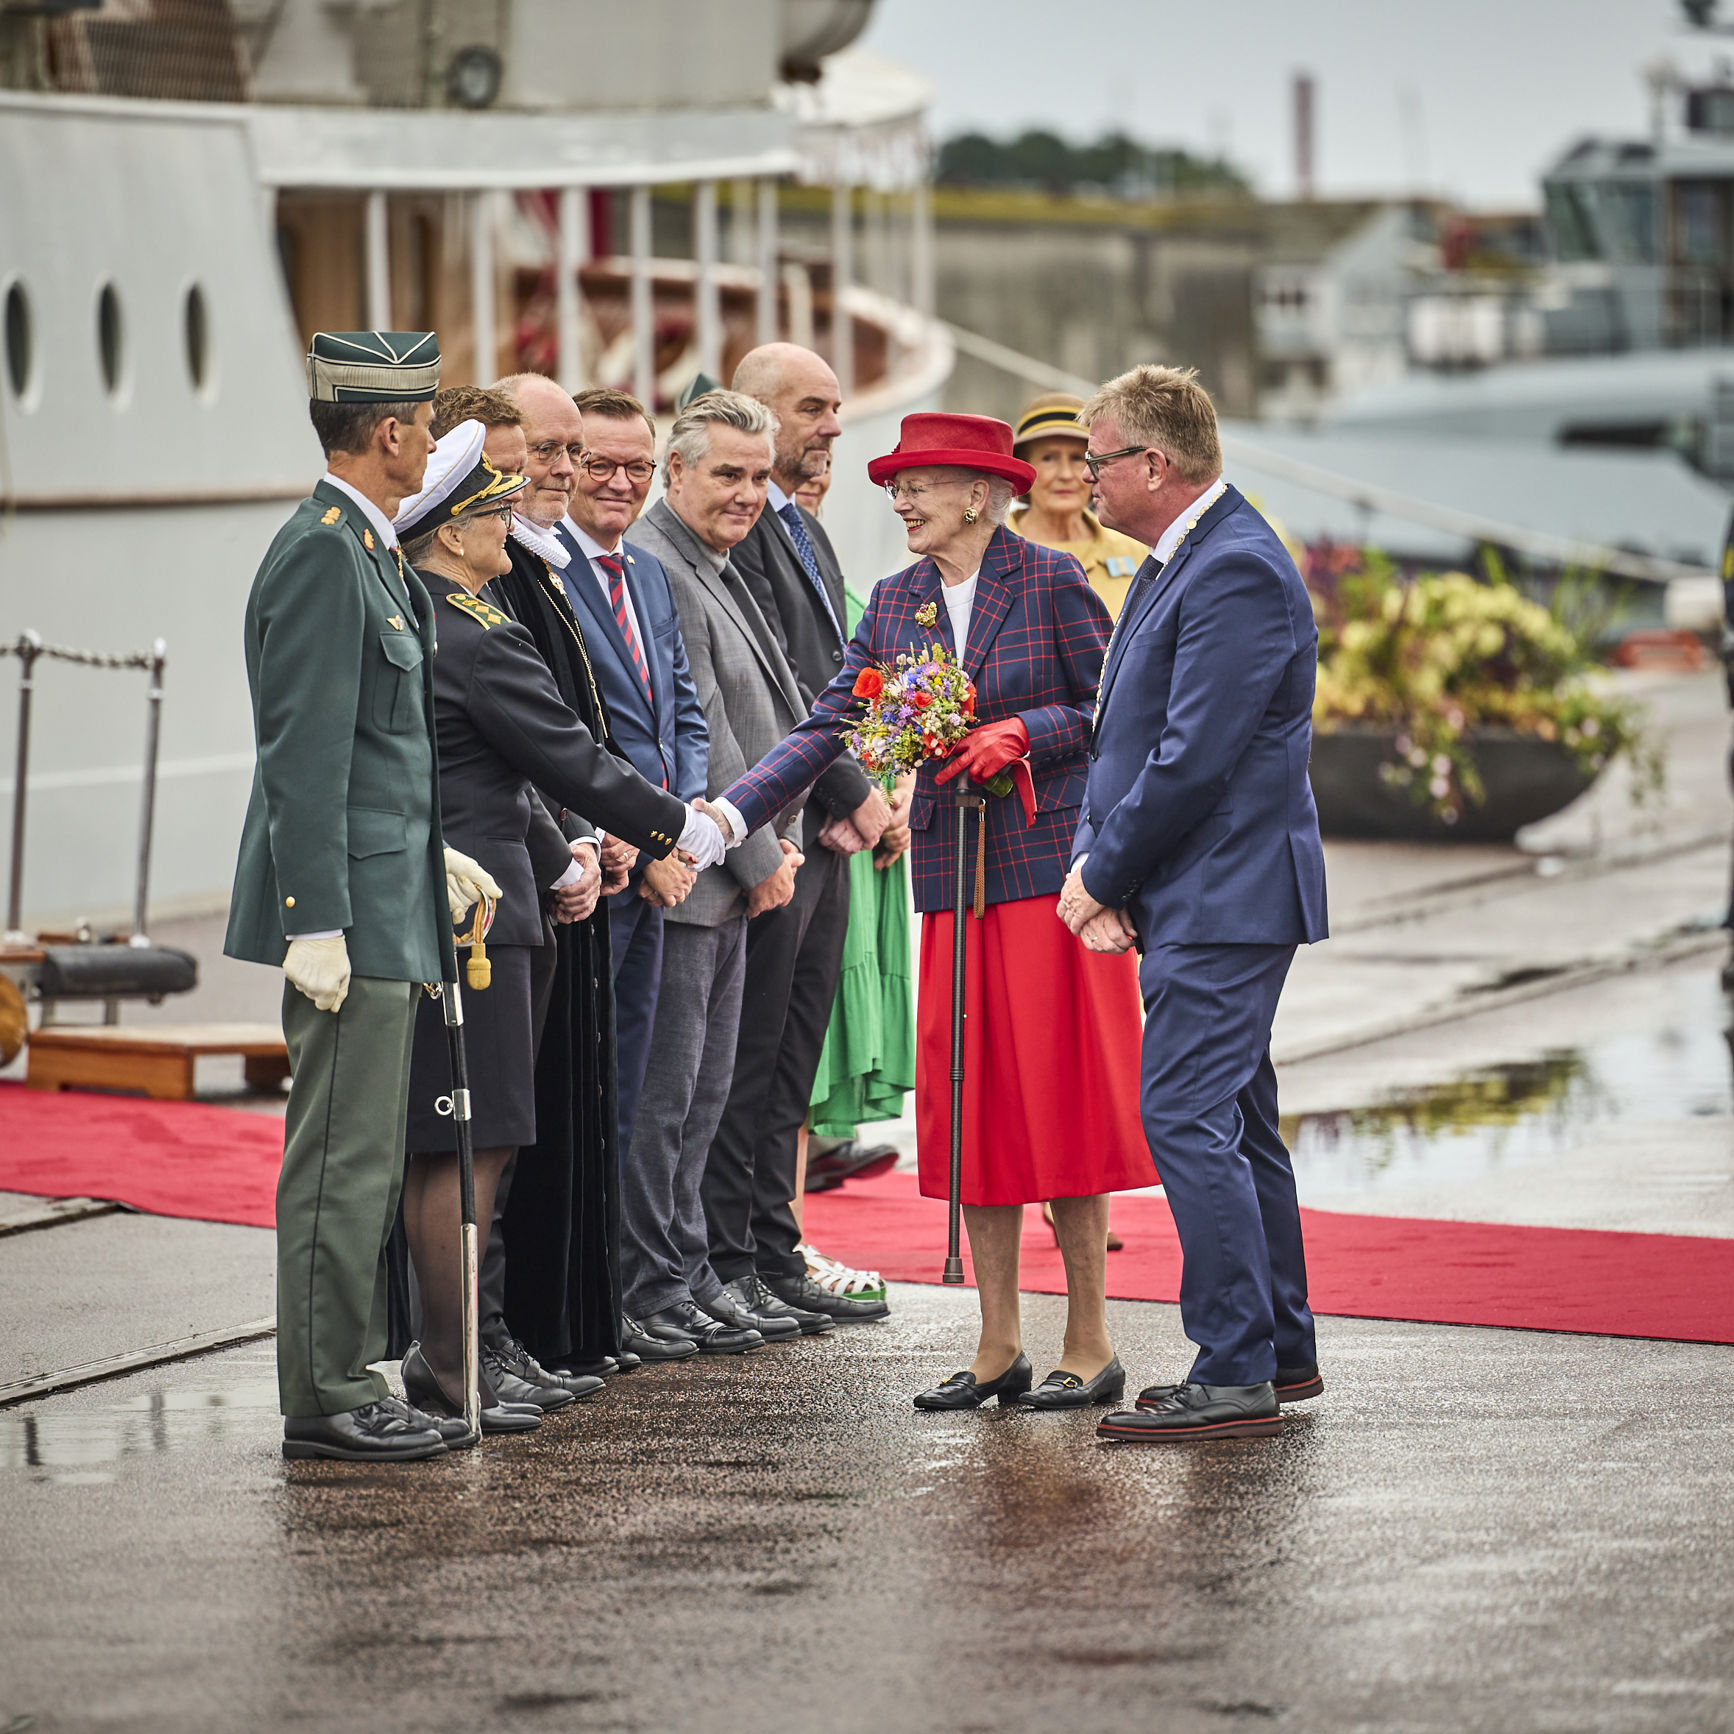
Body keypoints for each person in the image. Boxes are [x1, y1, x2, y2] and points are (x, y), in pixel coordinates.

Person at [713, 412, 1151, 1411]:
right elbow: (831, 721)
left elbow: (1112, 710)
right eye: (897, 485)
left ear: (977, 493)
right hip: (956, 886)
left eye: (920, 483)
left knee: (1065, 1106)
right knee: (976, 1110)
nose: (900, 500)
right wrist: (732, 810)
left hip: (1051, 883)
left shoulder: (1047, 580)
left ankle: (1090, 1339)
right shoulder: (899, 600)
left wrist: (1020, 733)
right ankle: (998, 1343)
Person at [393, 422, 718, 1433]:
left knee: (467, 1150)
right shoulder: (480, 638)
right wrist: (680, 827)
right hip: (480, 919)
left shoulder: (427, 622)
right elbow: (573, 759)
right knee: (471, 1153)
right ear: (451, 533)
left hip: (475, 902)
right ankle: (455, 1373)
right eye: (491, 511)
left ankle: (466, 1356)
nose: (510, 522)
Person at [226, 330, 491, 1462]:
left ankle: (349, 1372)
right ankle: (325, 1395)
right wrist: (314, 921)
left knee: (369, 1157)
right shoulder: (324, 554)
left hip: (389, 903)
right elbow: (303, 755)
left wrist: (428, 856)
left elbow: (377, 759)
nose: (433, 439)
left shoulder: (369, 551)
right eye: (427, 423)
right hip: (350, 921)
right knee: (339, 1161)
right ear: (390, 434)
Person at [1055, 364, 1329, 1443]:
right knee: (1240, 1123)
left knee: (1183, 1115)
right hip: (1207, 888)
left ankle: (1232, 1367)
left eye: (1098, 458)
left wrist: (1100, 875)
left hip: (1226, 891)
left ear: (1155, 465)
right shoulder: (1190, 557)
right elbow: (1118, 735)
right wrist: (1106, 866)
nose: (1084, 477)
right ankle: (1280, 1347)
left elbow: (1190, 759)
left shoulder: (1235, 570)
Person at [623, 390, 834, 1352]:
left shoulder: (716, 557)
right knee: (668, 1100)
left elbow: (777, 710)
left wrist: (775, 842)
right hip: (704, 873)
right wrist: (758, 854)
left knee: (709, 1098)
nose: (749, 494)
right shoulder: (663, 562)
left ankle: (693, 1269)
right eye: (728, 475)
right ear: (677, 474)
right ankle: (657, 1284)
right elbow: (697, 728)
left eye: (758, 476)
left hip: (745, 865)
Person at [478, 373, 664, 1378]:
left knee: (568, 1109)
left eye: (562, 452)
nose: (557, 472)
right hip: (520, 877)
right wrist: (586, 839)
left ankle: (559, 1326)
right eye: (542, 455)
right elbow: (513, 745)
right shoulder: (488, 579)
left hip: (572, 863)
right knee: (503, 1130)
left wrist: (602, 834)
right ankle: (491, 1339)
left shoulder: (528, 567)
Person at [714, 342, 896, 1325]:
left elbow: (843, 675)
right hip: (787, 828)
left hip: (826, 827)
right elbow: (782, 689)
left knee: (793, 1054)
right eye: (814, 408)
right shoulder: (742, 535)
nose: (834, 425)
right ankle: (736, 1253)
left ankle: (772, 1246)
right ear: (757, 410)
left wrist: (888, 776)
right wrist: (854, 793)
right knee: (752, 1055)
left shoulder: (809, 533)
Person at [558, 387, 708, 1164]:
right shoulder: (540, 577)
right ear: (567, 466)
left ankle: (617, 1282)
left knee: (631, 1085)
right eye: (599, 464)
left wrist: (677, 837)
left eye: (637, 467)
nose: (620, 482)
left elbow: (680, 712)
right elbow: (574, 731)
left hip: (656, 868)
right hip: (599, 870)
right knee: (576, 1089)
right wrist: (647, 843)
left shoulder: (647, 574)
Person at [1008, 393, 1149, 619]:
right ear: (1024, 468)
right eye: (1048, 458)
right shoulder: (990, 550)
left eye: (1077, 458)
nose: (1065, 474)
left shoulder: (1134, 549)